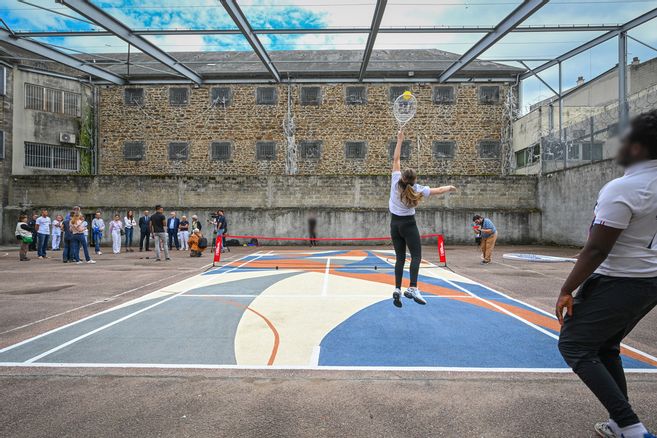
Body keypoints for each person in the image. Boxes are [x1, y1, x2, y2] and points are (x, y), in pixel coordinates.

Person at [556, 111, 657, 438]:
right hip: (648, 283)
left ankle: (630, 426)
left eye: (624, 139)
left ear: (638, 147)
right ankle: (620, 421)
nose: (618, 145)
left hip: (619, 281)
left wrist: (567, 288)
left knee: (574, 345)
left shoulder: (624, 188)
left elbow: (597, 250)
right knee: (606, 346)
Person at [389, 130, 456, 307]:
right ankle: (412, 287)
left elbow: (396, 159)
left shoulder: (395, 181)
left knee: (400, 258)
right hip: (408, 225)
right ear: (414, 180)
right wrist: (449, 187)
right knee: (416, 256)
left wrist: (400, 140)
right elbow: (438, 191)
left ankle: (397, 288)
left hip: (394, 224)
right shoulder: (417, 189)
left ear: (403, 177)